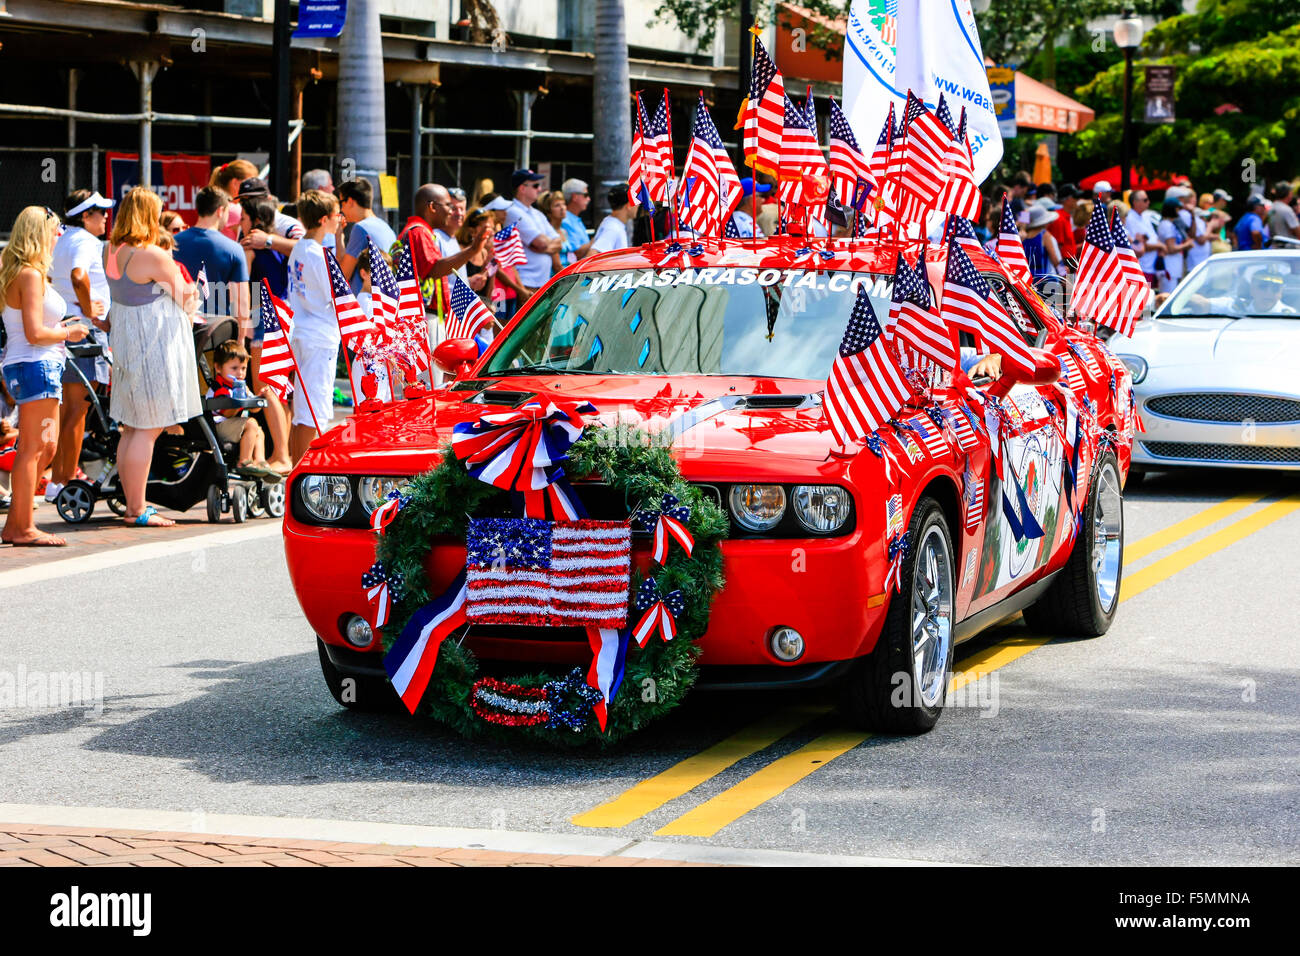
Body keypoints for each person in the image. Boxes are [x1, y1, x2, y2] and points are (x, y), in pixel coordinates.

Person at [103, 187, 202, 527]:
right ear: (148, 215)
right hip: (153, 344)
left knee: (132, 428)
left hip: (128, 341)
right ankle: (137, 507)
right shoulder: (153, 255)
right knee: (147, 429)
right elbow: (186, 298)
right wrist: (193, 294)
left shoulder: (111, 250)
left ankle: (133, 504)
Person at [1, 206, 90, 546]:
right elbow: (35, 332)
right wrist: (69, 333)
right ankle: (21, 528)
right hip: (34, 364)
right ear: (39, 233)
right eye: (54, 231)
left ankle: (17, 523)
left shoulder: (28, 273)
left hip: (37, 364)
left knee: (46, 446)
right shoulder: (29, 275)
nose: (58, 237)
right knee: (35, 448)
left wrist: (60, 330)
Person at [47, 190, 114, 502]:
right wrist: (88, 311)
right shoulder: (86, 241)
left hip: (66, 328)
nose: (105, 217)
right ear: (86, 216)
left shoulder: (64, 238)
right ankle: (62, 482)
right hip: (82, 330)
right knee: (76, 411)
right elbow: (78, 276)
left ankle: (56, 482)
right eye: (100, 212)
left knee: (66, 412)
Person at [285, 190, 343, 462]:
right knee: (313, 412)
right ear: (323, 219)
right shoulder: (318, 254)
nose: (339, 219)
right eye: (336, 215)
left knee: (301, 412)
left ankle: (296, 473)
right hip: (319, 337)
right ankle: (305, 475)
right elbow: (335, 296)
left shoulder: (299, 247)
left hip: (303, 332)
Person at [173, 186, 250, 331]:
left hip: (178, 329)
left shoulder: (172, 243)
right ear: (220, 211)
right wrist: (240, 339)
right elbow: (242, 301)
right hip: (216, 335)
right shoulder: (234, 249)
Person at [205, 338, 279, 479]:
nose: (240, 373)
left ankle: (260, 462)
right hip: (218, 426)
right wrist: (237, 401)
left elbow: (254, 410)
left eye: (243, 368)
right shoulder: (220, 388)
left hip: (232, 425)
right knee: (251, 424)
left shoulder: (242, 386)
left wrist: (259, 397)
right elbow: (226, 413)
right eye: (234, 368)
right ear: (218, 368)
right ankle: (244, 462)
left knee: (259, 430)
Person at [505, 169, 563, 293]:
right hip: (524, 283)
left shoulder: (537, 213)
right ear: (522, 188)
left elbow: (559, 242)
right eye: (536, 185)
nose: (540, 189)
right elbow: (541, 242)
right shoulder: (513, 211)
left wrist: (544, 247)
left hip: (541, 283)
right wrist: (545, 245)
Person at [336, 177, 397, 293]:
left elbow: (343, 274)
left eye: (341, 203)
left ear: (350, 201)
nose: (341, 209)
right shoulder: (387, 228)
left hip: (366, 303)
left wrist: (339, 237)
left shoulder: (360, 228)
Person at [234, 178, 307, 255]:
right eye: (242, 201)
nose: (247, 205)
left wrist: (268, 241)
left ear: (269, 199)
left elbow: (305, 249)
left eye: (253, 200)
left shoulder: (288, 224)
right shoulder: (244, 224)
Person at [1187, 266, 1296, 316]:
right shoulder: (1237, 306)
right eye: (1262, 286)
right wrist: (1174, 298)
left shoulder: (1290, 315)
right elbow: (1202, 303)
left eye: (1275, 289)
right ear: (1252, 289)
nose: (1269, 293)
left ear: (1280, 293)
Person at [209, 159, 259, 241]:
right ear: (235, 183)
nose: (255, 187)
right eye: (250, 182)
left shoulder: (228, 206)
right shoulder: (234, 210)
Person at [1155, 196, 1193, 293]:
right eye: (1177, 208)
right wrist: (1187, 245)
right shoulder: (1166, 225)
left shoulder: (1170, 224)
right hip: (1169, 268)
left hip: (1174, 268)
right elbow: (1171, 248)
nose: (1179, 211)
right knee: (1167, 297)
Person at [1124, 191, 1161, 286]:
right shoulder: (1130, 218)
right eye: (1145, 200)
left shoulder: (1145, 216)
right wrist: (1161, 246)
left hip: (1151, 266)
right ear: (1135, 202)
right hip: (1142, 267)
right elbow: (1137, 244)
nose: (1148, 202)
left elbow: (1151, 238)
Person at [587, 184, 634, 256]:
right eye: (636, 202)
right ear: (629, 205)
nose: (638, 205)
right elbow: (592, 255)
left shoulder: (612, 223)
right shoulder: (613, 228)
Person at [1021, 205, 1061, 278]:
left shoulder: (1023, 237)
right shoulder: (1045, 235)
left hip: (1027, 279)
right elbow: (1055, 260)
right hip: (1044, 279)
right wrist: (1065, 276)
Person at [560, 179, 594, 263]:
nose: (589, 199)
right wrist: (596, 239)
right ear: (575, 197)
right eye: (585, 195)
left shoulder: (574, 218)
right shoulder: (565, 220)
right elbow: (576, 253)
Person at [1047, 183, 1078, 261]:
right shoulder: (1058, 218)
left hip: (1069, 262)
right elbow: (1057, 246)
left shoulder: (1065, 216)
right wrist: (1061, 268)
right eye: (1075, 197)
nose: (1077, 200)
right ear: (1067, 200)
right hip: (1065, 264)